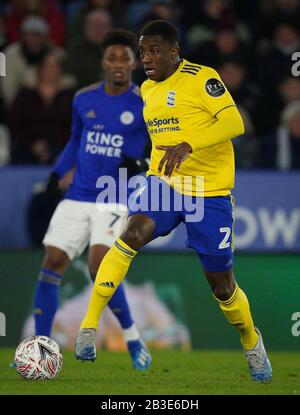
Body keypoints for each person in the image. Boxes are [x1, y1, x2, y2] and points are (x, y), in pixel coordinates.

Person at [75, 19, 272, 382]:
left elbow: (234, 123)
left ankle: (250, 339)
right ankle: (88, 328)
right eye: (143, 51)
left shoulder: (202, 77)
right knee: (130, 235)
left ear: (174, 51)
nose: (147, 58)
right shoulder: (147, 89)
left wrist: (189, 144)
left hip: (208, 191)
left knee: (222, 285)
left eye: (154, 51)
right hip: (165, 184)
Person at [33, 29, 151, 370]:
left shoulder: (145, 101)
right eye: (112, 57)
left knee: (99, 266)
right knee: (52, 261)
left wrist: (141, 164)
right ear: (103, 61)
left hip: (114, 197)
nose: (118, 64)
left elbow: (159, 144)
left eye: (125, 58)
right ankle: (41, 349)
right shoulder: (83, 99)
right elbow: (75, 139)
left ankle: (131, 337)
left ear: (135, 63)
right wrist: (58, 173)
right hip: (78, 194)